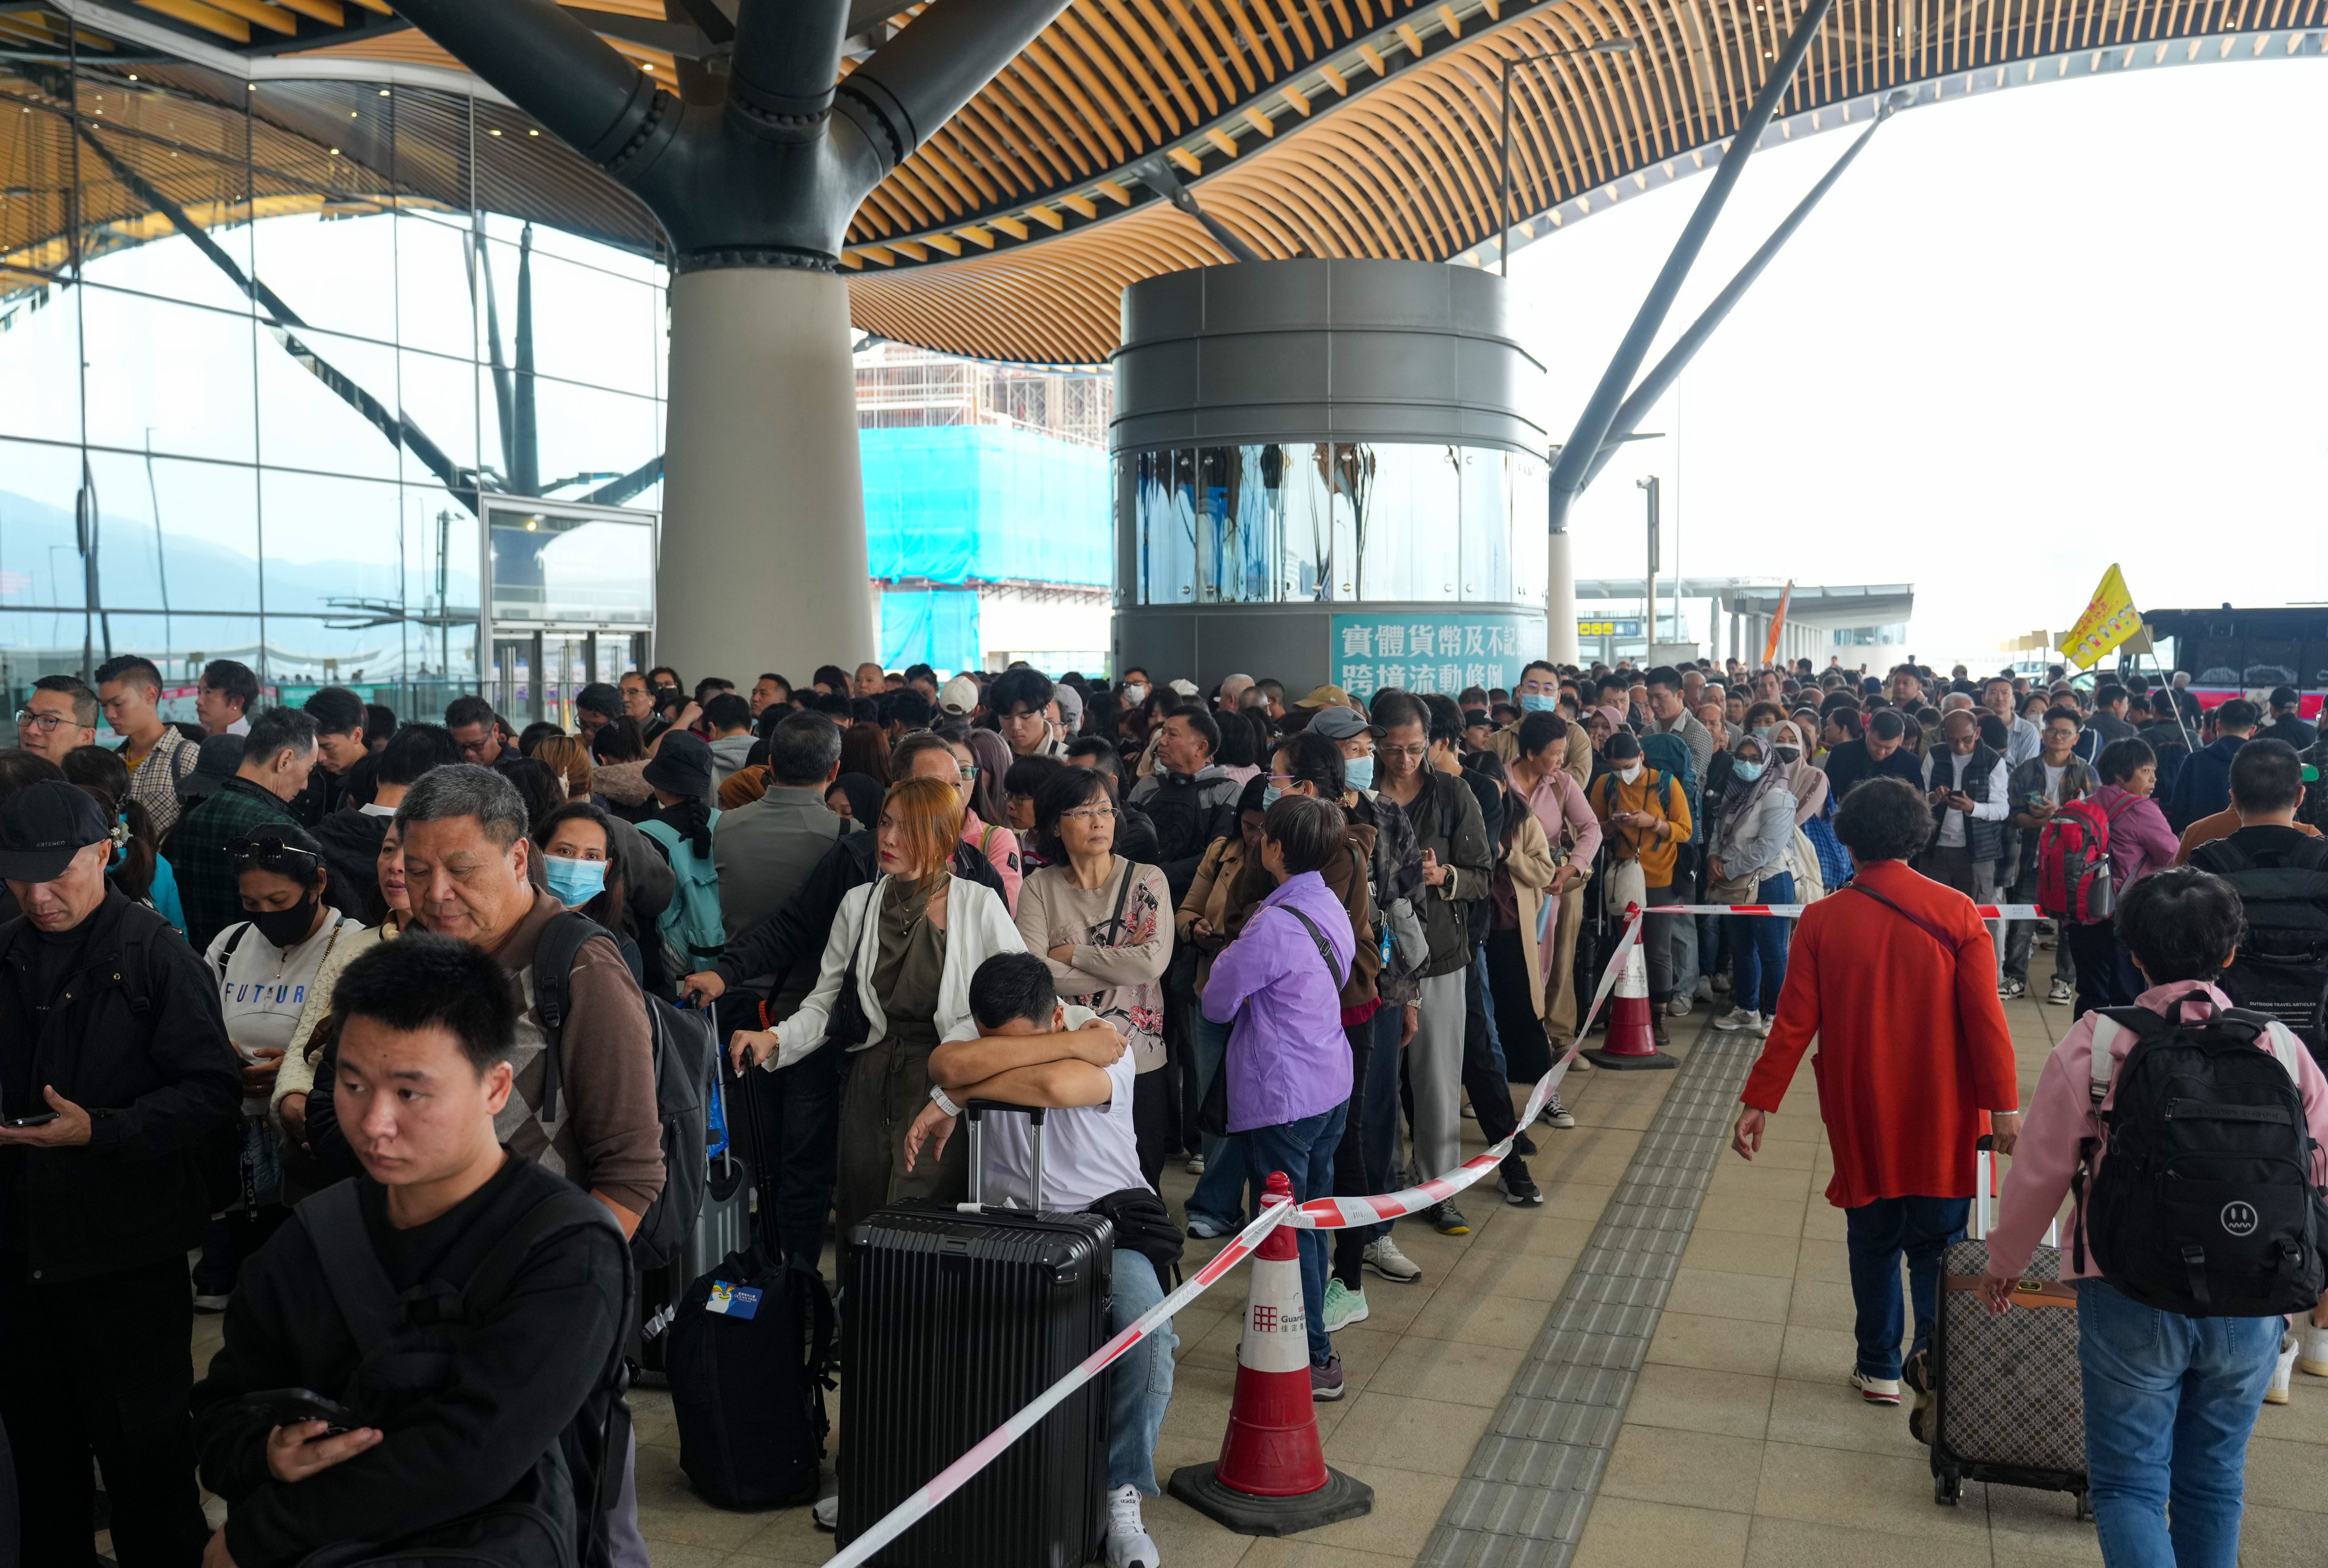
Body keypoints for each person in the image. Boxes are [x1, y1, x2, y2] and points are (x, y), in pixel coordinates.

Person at [189, 934, 632, 1568]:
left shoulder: (566, 1250)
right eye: (352, 1083)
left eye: (411, 1092)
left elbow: (471, 1456)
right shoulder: (309, 1239)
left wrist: (257, 1536)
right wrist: (265, 1450)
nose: (374, 1123)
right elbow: (219, 1417)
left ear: (496, 1087)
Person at [1982, 866, 2328, 1562]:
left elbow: (2042, 1169)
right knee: (2215, 1479)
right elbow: (2317, 1172)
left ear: (2133, 950)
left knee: (2131, 1484)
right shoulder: (2283, 1049)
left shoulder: (2099, 1042)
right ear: (2231, 953)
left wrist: (2005, 1263)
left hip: (2128, 1287)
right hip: (2253, 1291)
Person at [0, 779, 240, 1565]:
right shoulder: (5, 951)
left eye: (59, 874)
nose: (39, 896)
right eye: (19, 875)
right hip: (22, 1260)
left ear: (103, 852)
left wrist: (101, 1130)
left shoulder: (154, 951)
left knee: (147, 1463)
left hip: (124, 1261)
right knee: (42, 1463)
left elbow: (211, 1092)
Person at [1731, 778, 2021, 1405]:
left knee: (1873, 1237)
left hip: (1863, 1110)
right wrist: (2005, 1106)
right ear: (1917, 837)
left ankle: (1879, 1365)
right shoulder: (1957, 912)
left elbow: (1794, 1023)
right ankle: (1934, 1357)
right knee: (1939, 1244)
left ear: (1847, 837)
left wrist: (1759, 1101)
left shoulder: (1821, 920)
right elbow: (1986, 1019)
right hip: (1946, 1110)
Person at [905, 953, 1178, 1568]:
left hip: (1104, 1223)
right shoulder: (1075, 1039)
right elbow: (946, 1062)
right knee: (907, 1314)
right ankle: (910, 1477)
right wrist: (978, 1075)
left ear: (1057, 1013)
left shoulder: (1113, 1043)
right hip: (1006, 1227)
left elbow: (1056, 1089)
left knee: (1148, 1337)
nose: (989, 1049)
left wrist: (956, 1095)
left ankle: (1120, 1488)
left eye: (1019, 1043)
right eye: (988, 1042)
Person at [727, 775, 1025, 1282]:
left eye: (907, 829)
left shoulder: (977, 904)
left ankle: (919, 1349)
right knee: (862, 1215)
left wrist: (963, 1090)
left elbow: (1020, 999)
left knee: (923, 1221)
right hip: (869, 1080)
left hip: (943, 1084)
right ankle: (861, 1339)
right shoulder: (860, 902)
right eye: (885, 824)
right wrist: (775, 1037)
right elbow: (827, 1004)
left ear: (942, 837)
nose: (887, 839)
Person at [394, 765, 665, 1245]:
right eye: (417, 872)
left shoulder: (580, 966)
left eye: (460, 870)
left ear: (519, 859)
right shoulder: (415, 952)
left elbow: (631, 1171)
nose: (436, 894)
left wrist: (563, 1282)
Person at [1202, 795, 1356, 1399]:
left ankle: (1307, 1353)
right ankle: (1311, 1345)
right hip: (1329, 1083)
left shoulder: (1272, 921)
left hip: (1283, 1093)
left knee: (1282, 1233)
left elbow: (1218, 1000)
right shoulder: (1328, 903)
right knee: (1312, 1222)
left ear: (1274, 848)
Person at [192, 824, 365, 1312]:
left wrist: (292, 1070)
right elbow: (198, 1021)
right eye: (252, 904)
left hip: (305, 1144)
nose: (265, 915)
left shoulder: (351, 946)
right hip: (233, 1134)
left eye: (278, 901)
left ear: (317, 885)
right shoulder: (229, 944)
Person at [1015, 766, 1174, 1189]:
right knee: (1077, 1181)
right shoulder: (1038, 888)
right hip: (1067, 1062)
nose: (1099, 821)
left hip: (1139, 1060)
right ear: (1054, 825)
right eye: (1083, 812)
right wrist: (1117, 961)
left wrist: (1072, 953)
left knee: (1142, 1182)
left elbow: (1150, 964)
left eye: (1105, 809)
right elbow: (1035, 975)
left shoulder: (1146, 880)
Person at [1371, 690, 1491, 1235]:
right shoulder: (1358, 796)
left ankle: (1438, 1187)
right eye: (1392, 750)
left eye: (1415, 749)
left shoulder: (1452, 793)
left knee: (1438, 1081)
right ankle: (1381, 1186)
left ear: (1431, 741)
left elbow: (1483, 875)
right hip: (1370, 962)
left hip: (1438, 956)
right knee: (1374, 1083)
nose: (1404, 761)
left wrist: (1446, 879)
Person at [169, 707, 323, 952]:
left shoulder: (193, 817)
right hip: (254, 967)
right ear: (284, 761)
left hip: (197, 961)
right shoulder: (281, 833)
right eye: (308, 770)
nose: (305, 785)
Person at [1585, 730, 1692, 1041]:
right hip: (1622, 875)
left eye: (1628, 766)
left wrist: (1653, 823)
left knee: (1658, 948)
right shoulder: (1605, 785)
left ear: (1642, 757)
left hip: (1661, 877)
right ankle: (1624, 1009)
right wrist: (1611, 826)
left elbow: (1685, 831)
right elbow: (1592, 829)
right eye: (1616, 768)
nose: (1623, 774)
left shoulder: (1666, 784)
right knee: (1625, 946)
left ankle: (1659, 1014)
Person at [2063, 738, 2180, 1016]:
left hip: (2082, 917)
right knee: (2128, 999)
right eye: (2146, 771)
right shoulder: (2141, 809)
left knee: (2091, 997)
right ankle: (2122, 1058)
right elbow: (2175, 858)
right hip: (2123, 918)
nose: (2154, 778)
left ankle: (2084, 1055)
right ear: (2120, 775)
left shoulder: (2085, 804)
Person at [1706, 733, 1798, 1035]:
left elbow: (1768, 846)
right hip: (1734, 883)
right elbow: (1719, 830)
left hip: (1769, 881)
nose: (1747, 764)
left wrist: (1728, 869)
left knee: (1773, 951)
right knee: (1742, 948)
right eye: (1741, 758)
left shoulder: (1778, 796)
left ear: (1768, 761)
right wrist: (1713, 859)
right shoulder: (1734, 792)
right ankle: (1747, 1009)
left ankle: (1776, 1014)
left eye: (1754, 758)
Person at [2001, 707, 2094, 1005]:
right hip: (2033, 855)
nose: (2058, 736)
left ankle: (2064, 982)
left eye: (2065, 732)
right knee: (2022, 919)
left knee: (2070, 923)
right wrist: (2046, 821)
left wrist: (2060, 814)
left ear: (2076, 738)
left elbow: (2094, 819)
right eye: (2053, 730)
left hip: (2073, 861)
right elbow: (2012, 815)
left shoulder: (2086, 772)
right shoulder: (2026, 770)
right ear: (2043, 734)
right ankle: (2015, 978)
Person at [97, 654, 200, 839]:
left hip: (167, 867)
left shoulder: (187, 757)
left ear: (150, 695)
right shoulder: (111, 762)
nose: (109, 714)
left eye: (118, 704)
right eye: (104, 705)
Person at [1918, 707, 2010, 902]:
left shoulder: (1992, 761)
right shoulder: (1935, 755)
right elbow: (1919, 799)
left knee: (1975, 911)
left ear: (1977, 733)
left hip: (1978, 851)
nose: (1960, 746)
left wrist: (1973, 808)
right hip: (1936, 846)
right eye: (1952, 740)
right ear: (1944, 735)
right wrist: (1934, 798)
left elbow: (2003, 810)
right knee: (1932, 906)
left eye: (1966, 739)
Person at [2167, 698, 2259, 832]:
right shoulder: (2264, 761)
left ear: (2218, 725)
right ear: (2253, 730)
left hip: (2201, 842)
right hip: (2249, 841)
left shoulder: (2194, 760)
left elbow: (2178, 809)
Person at [291, 686, 370, 827]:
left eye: (328, 747)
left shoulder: (381, 779)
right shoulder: (306, 771)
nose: (319, 758)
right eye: (314, 746)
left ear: (356, 735)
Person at [1820, 708, 1924, 799]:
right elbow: (1827, 796)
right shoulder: (1841, 753)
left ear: (1900, 740)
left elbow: (1918, 803)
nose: (1881, 752)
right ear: (1867, 730)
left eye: (1888, 748)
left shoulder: (1911, 763)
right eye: (1876, 744)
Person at [15, 673, 96, 761]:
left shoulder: (106, 774)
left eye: (50, 721)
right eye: (28, 717)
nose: (31, 730)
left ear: (86, 737)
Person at [197, 659, 259, 738]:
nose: (198, 701)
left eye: (209, 692)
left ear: (237, 702)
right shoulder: (188, 739)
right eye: (199, 692)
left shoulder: (253, 746)